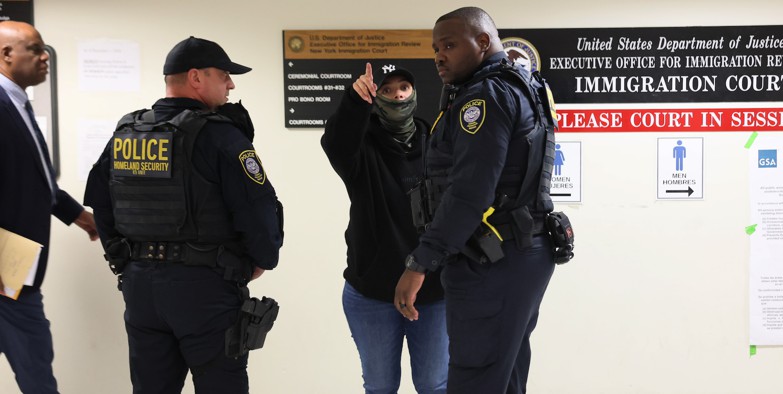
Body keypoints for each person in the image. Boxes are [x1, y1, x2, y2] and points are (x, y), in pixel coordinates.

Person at [84, 36, 283, 393]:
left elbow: (102, 203)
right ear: (196, 77)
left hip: (141, 289)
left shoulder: (128, 132)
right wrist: (262, 258)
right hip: (205, 289)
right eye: (224, 75)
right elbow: (257, 209)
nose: (231, 84)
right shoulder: (221, 135)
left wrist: (125, 263)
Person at [394, 7, 560, 393]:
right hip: (523, 252)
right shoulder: (525, 84)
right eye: (436, 48)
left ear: (483, 42)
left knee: (476, 377)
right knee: (505, 373)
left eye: (450, 45)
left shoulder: (483, 97)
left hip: (493, 260)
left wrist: (419, 263)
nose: (439, 56)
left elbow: (471, 191)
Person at [322, 62, 448, 394]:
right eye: (387, 90)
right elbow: (335, 141)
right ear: (375, 97)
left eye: (403, 88)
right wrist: (353, 99)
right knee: (379, 386)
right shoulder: (361, 149)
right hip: (372, 293)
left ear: (414, 93)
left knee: (434, 385)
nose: (397, 95)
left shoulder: (437, 143)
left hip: (433, 292)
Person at [0, 20, 99, 393]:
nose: (45, 57)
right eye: (36, 49)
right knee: (38, 376)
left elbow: (36, 180)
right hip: (5, 271)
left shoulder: (16, 103)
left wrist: (80, 216)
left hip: (17, 272)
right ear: (7, 55)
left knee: (37, 367)